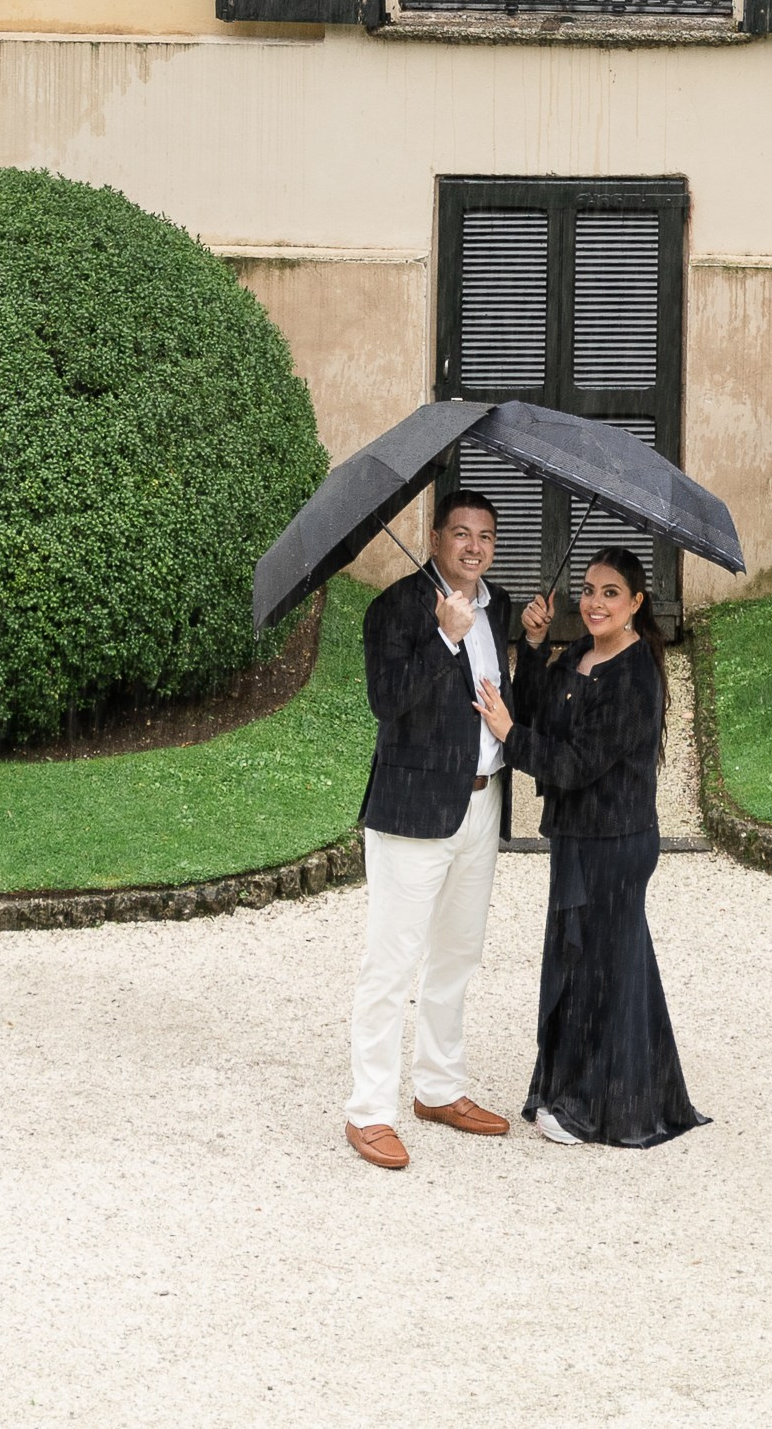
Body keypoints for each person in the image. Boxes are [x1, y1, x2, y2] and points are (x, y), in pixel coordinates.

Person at [474, 545, 707, 1150]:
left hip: (616, 842)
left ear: (636, 603)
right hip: (578, 838)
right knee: (607, 965)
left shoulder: (635, 675)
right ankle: (623, 1092)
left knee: (597, 967)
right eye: (588, 589)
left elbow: (574, 765)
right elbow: (540, 711)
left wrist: (508, 737)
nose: (595, 602)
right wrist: (530, 645)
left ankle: (591, 1109)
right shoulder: (578, 653)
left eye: (610, 592)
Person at [343, 493, 518, 1172]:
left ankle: (439, 1089)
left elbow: (493, 697)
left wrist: (526, 645)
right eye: (461, 534)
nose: (473, 547)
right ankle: (369, 1112)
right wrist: (443, 636)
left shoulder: (495, 604)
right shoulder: (393, 608)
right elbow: (386, 702)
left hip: (481, 804)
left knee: (457, 957)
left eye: (486, 536)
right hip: (413, 812)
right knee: (390, 966)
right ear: (436, 538)